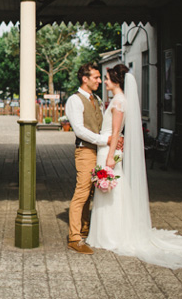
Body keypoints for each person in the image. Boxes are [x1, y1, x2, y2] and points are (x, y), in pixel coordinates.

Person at [87, 64, 182, 268]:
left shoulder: (118, 102)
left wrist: (110, 158)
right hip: (108, 149)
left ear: (116, 81)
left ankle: (112, 234)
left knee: (110, 190)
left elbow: (116, 132)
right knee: (111, 189)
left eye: (107, 78)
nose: (104, 82)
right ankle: (110, 231)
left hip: (108, 151)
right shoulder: (118, 101)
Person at [65, 63, 116, 255]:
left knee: (92, 192)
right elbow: (79, 130)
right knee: (82, 192)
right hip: (85, 150)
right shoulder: (74, 100)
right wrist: (105, 140)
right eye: (95, 77)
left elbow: (101, 125)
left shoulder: (97, 99)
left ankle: (85, 229)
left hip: (100, 150)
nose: (99, 81)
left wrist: (110, 142)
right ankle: (74, 238)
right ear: (84, 79)